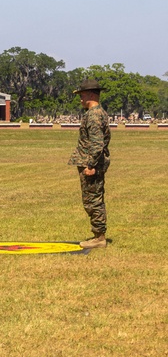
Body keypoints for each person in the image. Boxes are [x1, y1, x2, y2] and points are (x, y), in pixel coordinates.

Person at [68, 78, 111, 248]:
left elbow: (97, 143)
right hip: (92, 162)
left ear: (92, 94)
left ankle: (99, 237)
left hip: (92, 164)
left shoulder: (94, 116)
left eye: (83, 95)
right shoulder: (98, 113)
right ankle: (98, 235)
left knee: (93, 200)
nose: (80, 98)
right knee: (93, 199)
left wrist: (91, 165)